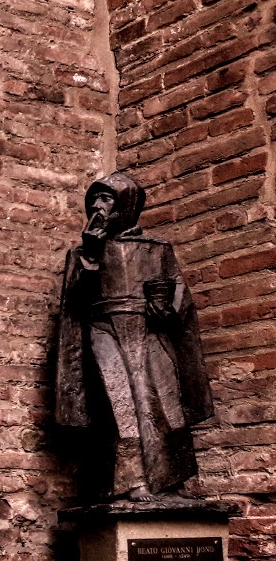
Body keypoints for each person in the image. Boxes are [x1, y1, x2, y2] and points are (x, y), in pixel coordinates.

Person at [54, 172, 213, 501]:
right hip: (105, 331)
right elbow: (76, 303)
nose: (98, 205)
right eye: (94, 198)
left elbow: (179, 292)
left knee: (167, 404)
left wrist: (166, 309)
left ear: (127, 205)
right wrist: (92, 256)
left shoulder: (157, 248)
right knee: (120, 405)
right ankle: (130, 481)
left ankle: (178, 476)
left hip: (149, 331)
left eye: (107, 198)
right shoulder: (82, 253)